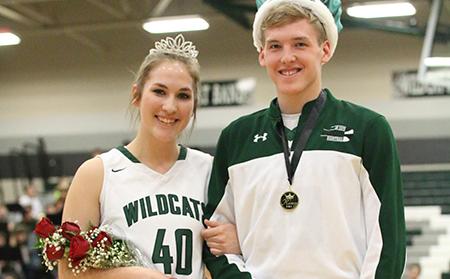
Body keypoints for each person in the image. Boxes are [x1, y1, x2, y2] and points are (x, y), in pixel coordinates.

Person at [202, 0, 406, 278]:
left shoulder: (368, 129)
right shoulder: (236, 138)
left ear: (325, 50)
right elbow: (215, 238)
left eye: (299, 44)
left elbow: (387, 243)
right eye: (275, 46)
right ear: (262, 54)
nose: (287, 57)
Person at [60, 34, 238, 279]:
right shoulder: (96, 173)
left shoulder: (210, 170)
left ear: (194, 105)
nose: (170, 106)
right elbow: (68, 273)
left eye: (183, 95)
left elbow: (230, 258)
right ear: (136, 95)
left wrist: (237, 242)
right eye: (159, 91)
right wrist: (131, 276)